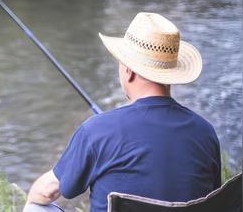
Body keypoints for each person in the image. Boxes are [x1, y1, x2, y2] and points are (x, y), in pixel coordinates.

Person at [24, 12, 221, 212]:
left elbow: (47, 191)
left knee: (35, 208)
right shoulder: (205, 132)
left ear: (129, 70)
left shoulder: (97, 130)